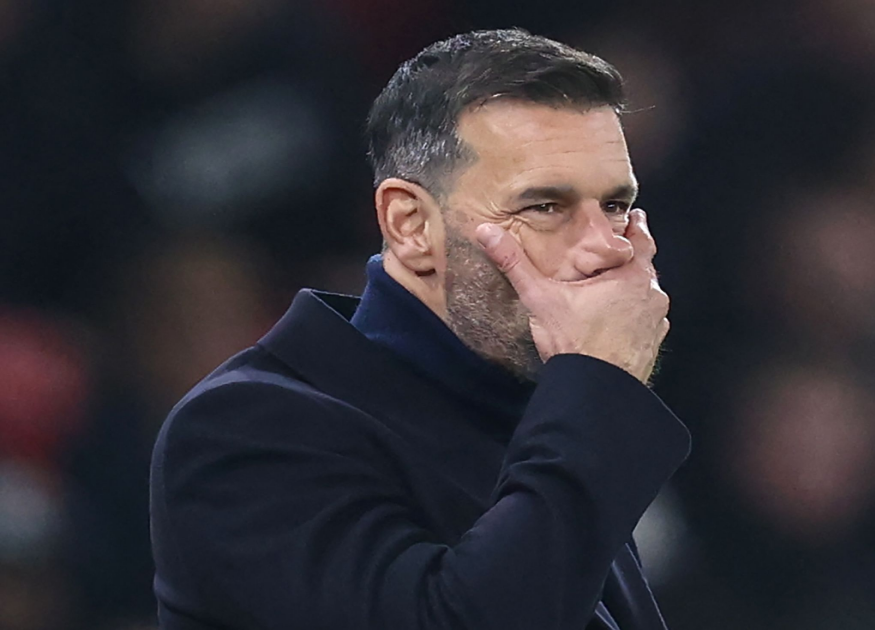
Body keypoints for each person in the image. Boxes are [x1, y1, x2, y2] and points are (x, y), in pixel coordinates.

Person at [149, 29, 691, 630]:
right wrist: (596, 389)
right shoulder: (248, 432)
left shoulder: (537, 413)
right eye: (544, 207)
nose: (605, 249)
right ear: (409, 225)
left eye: (614, 206)